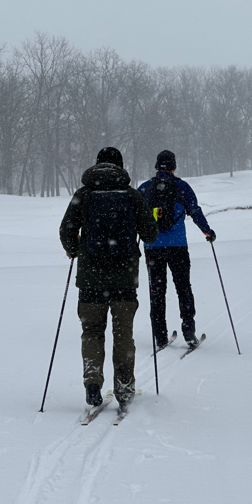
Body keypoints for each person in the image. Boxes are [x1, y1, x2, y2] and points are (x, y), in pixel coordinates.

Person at [59, 147, 158, 409]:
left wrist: (75, 247)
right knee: (123, 333)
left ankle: (93, 383)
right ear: (120, 167)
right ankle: (124, 388)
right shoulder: (132, 196)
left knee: (92, 331)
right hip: (124, 279)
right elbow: (150, 234)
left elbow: (67, 230)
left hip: (91, 278)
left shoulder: (84, 195)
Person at [138, 149, 216, 350]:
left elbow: (134, 218)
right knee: (183, 288)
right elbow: (195, 212)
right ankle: (189, 332)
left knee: (157, 292)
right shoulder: (182, 187)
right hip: (178, 247)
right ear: (174, 167)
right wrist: (208, 232)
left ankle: (160, 336)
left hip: (152, 248)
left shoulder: (145, 188)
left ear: (156, 167)